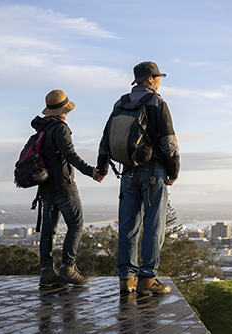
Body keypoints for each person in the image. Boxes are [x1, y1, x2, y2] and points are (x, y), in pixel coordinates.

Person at [97, 61, 180, 295]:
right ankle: (147, 279)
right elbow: (169, 141)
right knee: (153, 225)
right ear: (151, 79)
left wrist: (102, 167)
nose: (160, 82)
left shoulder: (121, 102)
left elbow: (106, 137)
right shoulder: (157, 101)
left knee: (128, 225)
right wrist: (173, 171)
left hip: (127, 171)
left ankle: (126, 279)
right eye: (158, 78)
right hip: (153, 172)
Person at [35, 89, 104, 287]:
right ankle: (68, 269)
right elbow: (70, 155)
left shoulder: (43, 128)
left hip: (45, 188)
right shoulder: (60, 128)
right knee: (76, 224)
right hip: (63, 186)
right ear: (64, 110)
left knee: (48, 231)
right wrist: (91, 171)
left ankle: (47, 272)